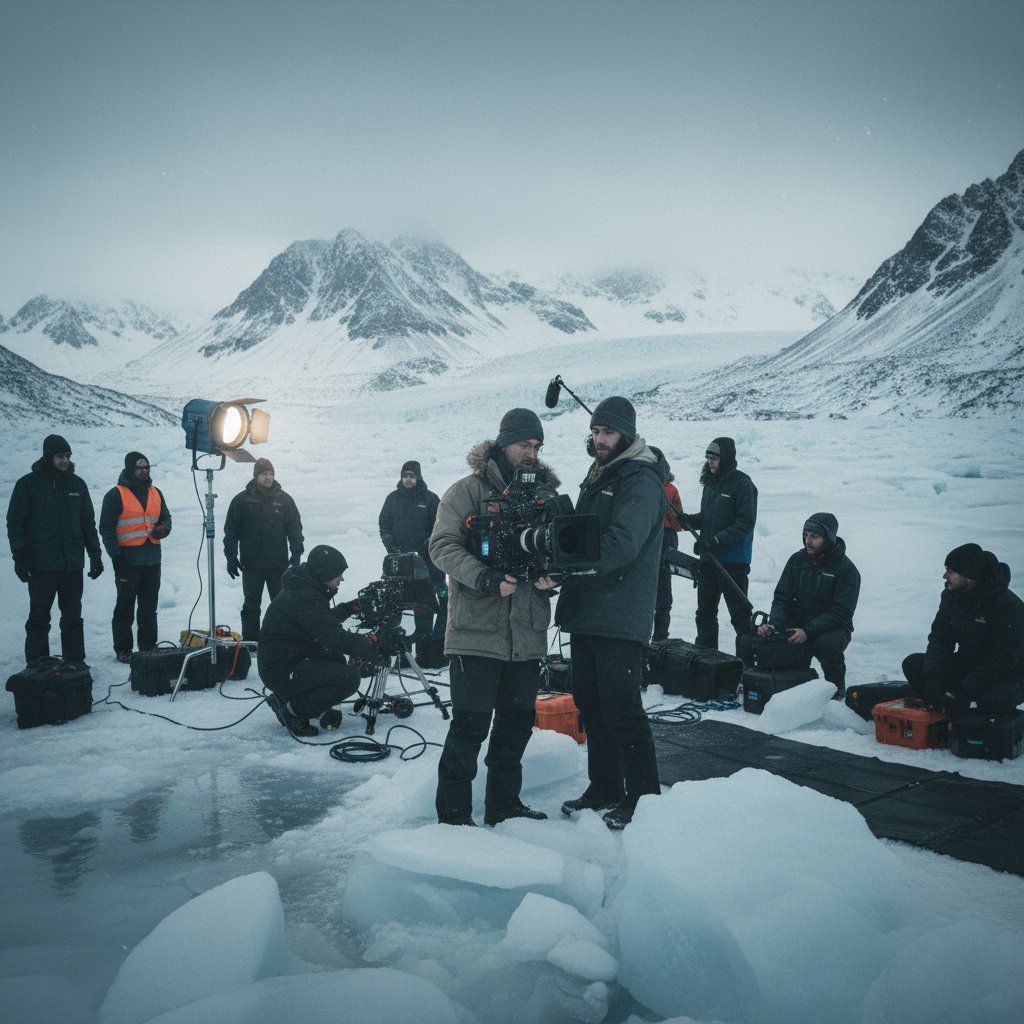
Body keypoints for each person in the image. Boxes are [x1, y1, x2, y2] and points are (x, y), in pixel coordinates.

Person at [428, 408, 558, 826]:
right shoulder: (466, 491)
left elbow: (565, 547)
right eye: (525, 444)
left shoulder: (546, 496)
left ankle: (504, 806)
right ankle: (453, 816)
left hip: (527, 631)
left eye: (537, 446)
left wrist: (553, 576)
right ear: (504, 444)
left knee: (516, 726)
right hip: (475, 630)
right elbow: (442, 546)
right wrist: (483, 577)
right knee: (470, 726)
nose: (531, 453)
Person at [555, 397, 666, 830]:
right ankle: (604, 787)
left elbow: (622, 542)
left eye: (608, 433)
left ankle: (644, 799)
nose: (599, 440)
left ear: (626, 434)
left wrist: (567, 566)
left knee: (621, 708)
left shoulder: (639, 479)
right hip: (588, 609)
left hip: (621, 611)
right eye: (596, 432)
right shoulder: (602, 472)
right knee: (591, 704)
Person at [257, 544, 376, 737]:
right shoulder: (305, 595)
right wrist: (367, 644)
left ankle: (284, 697)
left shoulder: (305, 588)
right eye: (338, 574)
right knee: (349, 678)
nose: (342, 578)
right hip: (282, 669)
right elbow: (333, 638)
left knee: (336, 660)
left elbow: (320, 621)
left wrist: (350, 608)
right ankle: (291, 711)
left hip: (288, 659)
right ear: (325, 573)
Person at [6, 434, 104, 665]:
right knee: (39, 617)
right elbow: (15, 522)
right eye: (60, 456)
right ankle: (37, 665)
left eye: (68, 456)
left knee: (72, 617)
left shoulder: (77, 485)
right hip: (41, 566)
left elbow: (88, 523)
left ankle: (75, 663)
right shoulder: (27, 485)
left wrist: (95, 554)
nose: (65, 461)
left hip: (72, 564)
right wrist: (19, 556)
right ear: (48, 457)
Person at [903, 543, 1024, 717]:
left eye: (950, 571)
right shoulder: (951, 596)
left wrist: (965, 688)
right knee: (914, 664)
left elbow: (1004, 658)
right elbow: (940, 638)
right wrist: (932, 677)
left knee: (992, 700)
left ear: (969, 575)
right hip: (969, 663)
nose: (945, 575)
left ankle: (974, 716)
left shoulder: (1006, 605)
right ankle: (945, 704)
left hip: (1010, 673)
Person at [757, 513, 860, 698]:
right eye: (806, 535)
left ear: (827, 538)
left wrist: (809, 631)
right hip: (799, 622)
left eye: (814, 536)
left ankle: (836, 690)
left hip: (832, 627)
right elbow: (782, 597)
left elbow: (842, 612)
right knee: (775, 639)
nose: (808, 541)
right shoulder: (797, 561)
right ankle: (790, 686)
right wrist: (774, 624)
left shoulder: (846, 570)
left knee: (825, 645)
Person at [681, 437, 757, 651]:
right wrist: (688, 520)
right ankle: (707, 660)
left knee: (740, 617)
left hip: (733, 563)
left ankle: (747, 664)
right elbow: (707, 517)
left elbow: (745, 523)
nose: (710, 461)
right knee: (704, 613)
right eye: (707, 456)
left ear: (727, 457)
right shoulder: (711, 484)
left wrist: (715, 540)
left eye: (714, 457)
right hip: (708, 560)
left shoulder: (743, 484)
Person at [99, 452, 172, 663]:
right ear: (130, 469)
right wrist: (115, 556)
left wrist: (163, 528)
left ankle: (148, 646)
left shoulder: (156, 492)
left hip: (152, 559)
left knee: (149, 607)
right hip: (127, 561)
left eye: (146, 467)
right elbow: (106, 528)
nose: (144, 471)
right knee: (125, 607)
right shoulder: (115, 495)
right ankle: (123, 649)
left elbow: (165, 516)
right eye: (139, 467)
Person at [223, 457, 304, 641]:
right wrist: (231, 556)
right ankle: (251, 642)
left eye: (271, 474)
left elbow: (295, 528)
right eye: (264, 474)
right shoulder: (242, 500)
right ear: (256, 476)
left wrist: (296, 553)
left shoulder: (284, 500)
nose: (268, 478)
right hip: (252, 565)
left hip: (278, 564)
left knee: (281, 604)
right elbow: (231, 531)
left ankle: (281, 640)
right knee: (251, 605)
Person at [377, 459, 447, 667]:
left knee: (426, 608)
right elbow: (384, 524)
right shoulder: (392, 499)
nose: (408, 480)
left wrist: (428, 545)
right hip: (399, 565)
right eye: (405, 476)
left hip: (428, 565)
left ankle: (426, 655)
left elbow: (441, 527)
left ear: (418, 477)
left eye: (412, 476)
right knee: (398, 608)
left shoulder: (431, 499)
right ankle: (403, 656)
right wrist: (390, 545)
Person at [649, 447, 684, 642]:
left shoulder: (640, 484)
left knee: (649, 595)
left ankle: (645, 637)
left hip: (649, 542)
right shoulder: (671, 489)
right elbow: (678, 523)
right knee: (663, 598)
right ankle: (660, 638)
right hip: (667, 540)